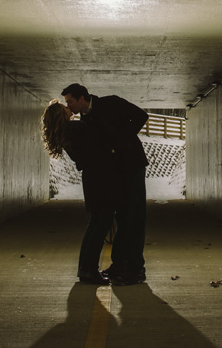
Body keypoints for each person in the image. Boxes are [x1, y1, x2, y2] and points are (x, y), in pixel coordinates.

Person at [62, 83, 148, 286]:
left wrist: (119, 142)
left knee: (134, 216)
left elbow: (140, 116)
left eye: (70, 101)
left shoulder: (110, 103)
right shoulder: (85, 119)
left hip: (132, 165)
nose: (69, 105)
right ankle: (120, 265)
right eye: (67, 103)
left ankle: (136, 269)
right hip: (115, 172)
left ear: (83, 98)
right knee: (122, 217)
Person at [41, 99, 115, 285]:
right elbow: (101, 139)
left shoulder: (66, 132)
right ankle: (88, 270)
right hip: (99, 176)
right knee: (101, 222)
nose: (68, 107)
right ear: (60, 114)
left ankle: (86, 269)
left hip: (91, 178)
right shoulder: (76, 128)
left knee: (96, 222)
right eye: (64, 107)